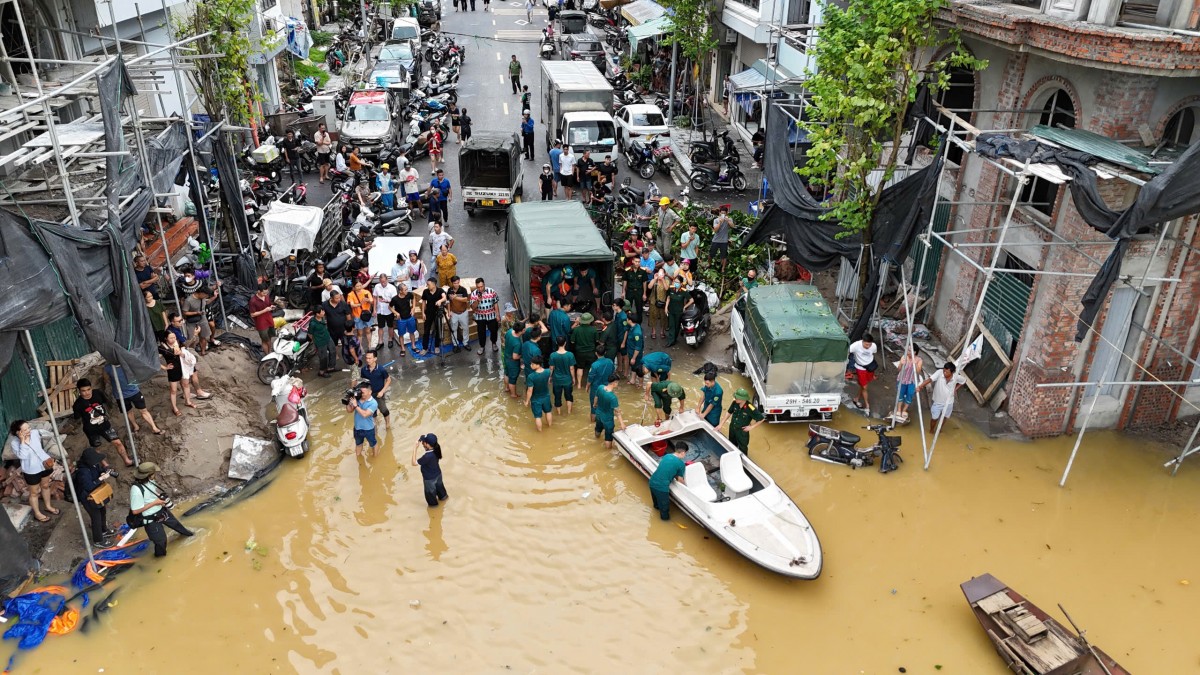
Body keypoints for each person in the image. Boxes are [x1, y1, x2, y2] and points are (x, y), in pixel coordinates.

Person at [130, 462, 194, 557]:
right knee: (161, 542)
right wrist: (155, 503)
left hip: (162, 511)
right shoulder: (136, 490)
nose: (155, 475)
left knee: (179, 527)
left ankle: (191, 536)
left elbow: (151, 493)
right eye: (153, 473)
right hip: (151, 519)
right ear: (149, 475)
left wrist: (159, 498)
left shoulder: (150, 481)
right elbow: (135, 511)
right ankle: (159, 559)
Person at [73, 378, 133, 467]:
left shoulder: (98, 393)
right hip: (91, 430)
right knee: (97, 448)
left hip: (105, 425)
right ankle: (105, 466)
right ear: (79, 391)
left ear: (91, 387)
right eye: (83, 391)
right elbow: (77, 418)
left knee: (117, 442)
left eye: (89, 389)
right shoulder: (77, 404)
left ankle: (127, 461)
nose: (87, 393)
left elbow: (105, 402)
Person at [8, 420, 59, 523]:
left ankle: (48, 506)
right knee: (34, 492)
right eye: (25, 429)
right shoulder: (14, 443)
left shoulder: (35, 433)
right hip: (31, 470)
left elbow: (48, 435)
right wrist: (23, 441)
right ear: (18, 432)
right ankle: (37, 513)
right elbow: (23, 456)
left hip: (44, 465)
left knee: (45, 486)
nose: (29, 430)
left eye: (29, 428)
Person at [103, 364, 162, 435]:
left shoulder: (126, 362)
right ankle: (135, 426)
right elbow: (106, 379)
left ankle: (154, 427)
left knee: (143, 410)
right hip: (121, 395)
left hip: (134, 391)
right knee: (129, 411)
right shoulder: (107, 368)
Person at [72, 446, 115, 545]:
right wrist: (100, 479)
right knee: (96, 517)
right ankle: (98, 540)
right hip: (88, 497)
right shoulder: (82, 471)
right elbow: (88, 486)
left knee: (102, 511)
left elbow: (99, 470)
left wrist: (103, 472)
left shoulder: (93, 465)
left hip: (97, 493)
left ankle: (104, 530)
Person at [917, 362, 966, 434]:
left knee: (944, 417)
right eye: (944, 370)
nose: (944, 373)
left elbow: (964, 381)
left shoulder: (956, 377)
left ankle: (939, 429)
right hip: (938, 401)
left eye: (947, 372)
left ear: (952, 372)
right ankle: (931, 430)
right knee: (934, 418)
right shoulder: (939, 373)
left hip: (949, 402)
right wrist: (920, 386)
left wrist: (955, 389)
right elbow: (929, 380)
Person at [721, 388, 765, 456]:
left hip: (742, 432)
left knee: (743, 449)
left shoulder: (750, 408)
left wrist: (751, 427)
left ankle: (742, 462)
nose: (735, 398)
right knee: (731, 445)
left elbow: (761, 419)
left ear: (743, 399)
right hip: (732, 428)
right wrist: (721, 424)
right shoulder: (734, 403)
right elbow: (729, 412)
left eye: (737, 397)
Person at [647, 444, 686, 520]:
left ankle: (656, 509)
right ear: (683, 453)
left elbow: (667, 469)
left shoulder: (667, 456)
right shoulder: (681, 464)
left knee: (657, 504)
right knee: (665, 508)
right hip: (661, 488)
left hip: (652, 481)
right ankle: (665, 521)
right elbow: (680, 480)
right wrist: (686, 487)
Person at [413, 434, 449, 507]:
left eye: (424, 442)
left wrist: (415, 448)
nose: (422, 443)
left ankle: (435, 511)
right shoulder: (436, 449)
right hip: (438, 475)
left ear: (428, 445)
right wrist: (421, 439)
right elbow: (423, 438)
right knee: (442, 493)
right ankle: (443, 499)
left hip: (429, 479)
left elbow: (413, 463)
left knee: (431, 500)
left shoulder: (427, 456)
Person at [360, 350, 392, 431]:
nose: (367, 360)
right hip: (369, 395)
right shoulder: (363, 370)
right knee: (372, 413)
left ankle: (387, 424)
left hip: (379, 394)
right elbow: (363, 382)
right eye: (366, 358)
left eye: (370, 358)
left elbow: (388, 380)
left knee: (384, 410)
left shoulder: (381, 369)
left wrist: (382, 391)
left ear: (375, 359)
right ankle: (375, 428)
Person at [847, 333, 878, 413]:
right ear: (862, 341)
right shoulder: (855, 345)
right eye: (866, 344)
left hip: (870, 366)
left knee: (864, 384)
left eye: (869, 344)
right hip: (860, 368)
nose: (868, 346)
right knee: (864, 387)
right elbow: (846, 351)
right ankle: (867, 405)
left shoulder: (873, 346)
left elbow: (873, 354)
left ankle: (856, 399)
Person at [418, 277, 449, 355]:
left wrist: (440, 301)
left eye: (428, 284)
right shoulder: (425, 291)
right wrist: (423, 313)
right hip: (428, 313)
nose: (427, 286)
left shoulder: (440, 291)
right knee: (426, 331)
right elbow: (424, 302)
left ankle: (436, 346)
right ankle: (425, 348)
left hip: (438, 313)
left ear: (434, 284)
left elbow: (444, 297)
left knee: (438, 330)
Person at [469, 278, 501, 355]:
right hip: (480, 317)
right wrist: (478, 301)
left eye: (481, 286)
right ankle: (482, 346)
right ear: (476, 287)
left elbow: (495, 304)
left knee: (494, 331)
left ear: (484, 284)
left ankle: (494, 343)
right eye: (478, 287)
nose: (480, 288)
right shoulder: (473, 294)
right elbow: (473, 307)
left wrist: (497, 315)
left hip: (491, 316)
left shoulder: (492, 291)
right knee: (481, 333)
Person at [593, 374, 624, 448]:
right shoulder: (613, 397)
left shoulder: (600, 387)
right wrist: (622, 424)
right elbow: (617, 412)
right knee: (608, 437)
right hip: (608, 419)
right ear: (614, 383)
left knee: (598, 429)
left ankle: (596, 439)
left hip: (598, 414)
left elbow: (596, 398)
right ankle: (608, 451)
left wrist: (594, 404)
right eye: (617, 383)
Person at [347, 381, 378, 456]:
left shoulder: (373, 403)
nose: (361, 394)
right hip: (357, 428)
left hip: (369, 429)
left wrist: (356, 406)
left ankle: (376, 458)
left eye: (363, 392)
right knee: (358, 444)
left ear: (370, 392)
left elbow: (365, 415)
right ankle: (358, 458)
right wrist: (348, 401)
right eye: (360, 392)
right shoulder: (357, 399)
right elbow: (349, 410)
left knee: (373, 444)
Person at [389, 283, 419, 358]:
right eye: (405, 290)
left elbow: (414, 298)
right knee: (401, 334)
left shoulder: (409, 294)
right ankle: (403, 349)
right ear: (400, 291)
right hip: (401, 319)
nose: (407, 291)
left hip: (410, 317)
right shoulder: (395, 299)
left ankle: (413, 346)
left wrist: (413, 307)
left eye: (407, 289)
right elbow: (390, 307)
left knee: (412, 332)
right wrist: (396, 313)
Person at [524, 356, 554, 431]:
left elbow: (530, 391)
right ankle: (550, 427)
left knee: (538, 417)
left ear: (538, 364)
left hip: (536, 399)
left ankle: (540, 432)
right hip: (546, 396)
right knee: (548, 412)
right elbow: (548, 381)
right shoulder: (547, 372)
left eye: (532, 364)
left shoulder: (531, 377)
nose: (531, 365)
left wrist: (527, 401)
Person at [570, 312, 599, 388]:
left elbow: (572, 341)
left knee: (580, 368)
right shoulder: (594, 330)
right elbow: (597, 341)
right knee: (591, 368)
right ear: (590, 321)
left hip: (580, 352)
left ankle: (579, 384)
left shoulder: (576, 330)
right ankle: (589, 384)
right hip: (591, 352)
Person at [548, 336, 577, 414]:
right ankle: (569, 412)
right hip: (567, 380)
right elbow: (572, 368)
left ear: (556, 343)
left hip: (557, 380)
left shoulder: (553, 355)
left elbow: (551, 368)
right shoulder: (570, 355)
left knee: (557, 397)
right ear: (565, 343)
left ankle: (559, 413)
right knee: (569, 396)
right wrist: (573, 378)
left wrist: (549, 377)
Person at [896, 346, 924, 420]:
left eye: (909, 350)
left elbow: (918, 372)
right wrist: (901, 364)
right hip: (902, 379)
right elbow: (898, 369)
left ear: (914, 352)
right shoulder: (904, 357)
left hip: (912, 381)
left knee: (910, 394)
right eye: (907, 350)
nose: (907, 351)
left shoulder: (919, 360)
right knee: (900, 394)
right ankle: (899, 409)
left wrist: (915, 364)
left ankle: (904, 410)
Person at [445, 276, 472, 352]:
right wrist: (449, 311)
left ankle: (465, 342)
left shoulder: (463, 290)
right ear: (452, 283)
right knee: (453, 329)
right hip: (454, 313)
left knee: (465, 328)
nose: (456, 284)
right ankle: (455, 344)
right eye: (454, 283)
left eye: (457, 283)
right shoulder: (449, 290)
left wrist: (455, 297)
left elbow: (465, 299)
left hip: (463, 312)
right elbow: (448, 301)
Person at [322, 288, 352, 355]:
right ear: (331, 298)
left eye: (339, 297)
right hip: (332, 329)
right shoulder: (325, 305)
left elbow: (348, 315)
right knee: (334, 343)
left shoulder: (343, 304)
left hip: (343, 329)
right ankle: (336, 354)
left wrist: (349, 327)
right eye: (337, 298)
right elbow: (323, 315)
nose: (339, 299)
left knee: (345, 342)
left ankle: (346, 354)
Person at [248, 282, 275, 354]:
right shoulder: (253, 301)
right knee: (265, 340)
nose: (265, 294)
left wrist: (271, 307)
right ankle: (267, 355)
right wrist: (265, 310)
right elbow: (252, 314)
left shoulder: (266, 296)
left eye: (267, 293)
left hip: (269, 320)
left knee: (269, 337)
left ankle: (269, 352)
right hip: (261, 324)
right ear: (259, 291)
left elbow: (269, 304)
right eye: (264, 293)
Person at [373, 273, 398, 348]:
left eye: (384, 281)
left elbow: (395, 300)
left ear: (387, 280)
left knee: (390, 326)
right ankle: (380, 341)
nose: (383, 283)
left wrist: (387, 301)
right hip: (380, 310)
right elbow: (374, 297)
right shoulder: (377, 286)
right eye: (381, 282)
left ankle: (390, 339)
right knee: (380, 327)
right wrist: (374, 309)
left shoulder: (392, 288)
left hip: (389, 310)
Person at [665, 278, 692, 347]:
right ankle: (670, 341)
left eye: (677, 282)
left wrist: (685, 307)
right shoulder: (671, 289)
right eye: (675, 282)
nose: (676, 283)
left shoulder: (684, 291)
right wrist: (666, 307)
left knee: (677, 326)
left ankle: (674, 339)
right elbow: (668, 298)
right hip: (671, 310)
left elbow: (691, 300)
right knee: (671, 325)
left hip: (679, 311)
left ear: (681, 283)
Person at [348, 280, 375, 349]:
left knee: (368, 331)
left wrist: (368, 300)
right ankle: (360, 347)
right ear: (353, 287)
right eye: (357, 286)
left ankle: (369, 345)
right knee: (359, 333)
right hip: (357, 316)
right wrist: (360, 304)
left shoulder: (366, 292)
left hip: (366, 314)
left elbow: (372, 301)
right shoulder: (351, 294)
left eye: (360, 285)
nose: (359, 287)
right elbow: (352, 305)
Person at [310, 306, 335, 378]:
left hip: (327, 337)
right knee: (323, 357)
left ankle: (331, 367)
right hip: (320, 342)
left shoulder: (323, 318)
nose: (324, 312)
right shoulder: (313, 323)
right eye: (322, 312)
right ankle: (322, 371)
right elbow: (310, 334)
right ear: (317, 314)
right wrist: (316, 341)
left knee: (333, 351)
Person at [503, 321, 526, 398]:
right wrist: (522, 355)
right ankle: (513, 394)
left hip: (506, 356)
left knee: (507, 373)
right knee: (512, 379)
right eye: (524, 329)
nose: (525, 330)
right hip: (512, 362)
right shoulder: (517, 343)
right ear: (521, 331)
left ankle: (506, 388)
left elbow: (505, 338)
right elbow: (515, 357)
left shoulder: (509, 331)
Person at [646, 269, 669, 340]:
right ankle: (653, 332)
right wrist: (654, 278)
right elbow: (649, 287)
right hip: (653, 301)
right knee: (653, 316)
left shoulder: (666, 281)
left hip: (663, 302)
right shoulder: (654, 280)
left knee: (663, 317)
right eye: (659, 273)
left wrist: (662, 280)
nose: (660, 274)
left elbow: (666, 288)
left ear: (664, 274)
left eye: (662, 273)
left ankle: (662, 331)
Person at [711, 206, 732, 275]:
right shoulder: (716, 220)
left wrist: (728, 220)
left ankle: (722, 268)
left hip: (724, 241)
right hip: (716, 240)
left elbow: (733, 226)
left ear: (726, 213)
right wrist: (720, 222)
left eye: (724, 213)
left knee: (724, 256)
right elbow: (715, 230)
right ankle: (709, 264)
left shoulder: (729, 219)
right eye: (722, 213)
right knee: (711, 254)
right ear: (719, 213)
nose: (723, 215)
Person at [624, 313, 644, 383]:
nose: (626, 320)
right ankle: (633, 380)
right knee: (633, 366)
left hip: (635, 354)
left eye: (627, 319)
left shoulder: (636, 333)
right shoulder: (635, 326)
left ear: (630, 320)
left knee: (638, 369)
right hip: (631, 352)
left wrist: (634, 358)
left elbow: (638, 347)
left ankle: (640, 384)